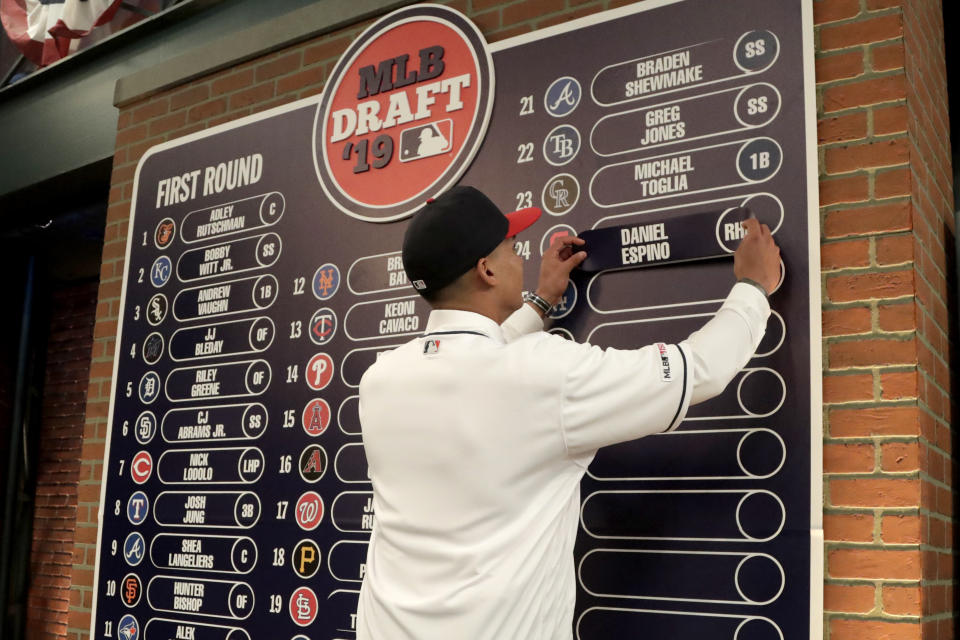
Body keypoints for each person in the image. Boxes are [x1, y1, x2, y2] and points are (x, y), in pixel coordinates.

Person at [356, 186, 781, 639]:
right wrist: (753, 289)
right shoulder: (545, 373)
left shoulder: (381, 379)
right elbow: (699, 370)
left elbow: (477, 366)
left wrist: (539, 302)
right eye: (512, 249)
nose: (520, 258)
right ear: (487, 270)